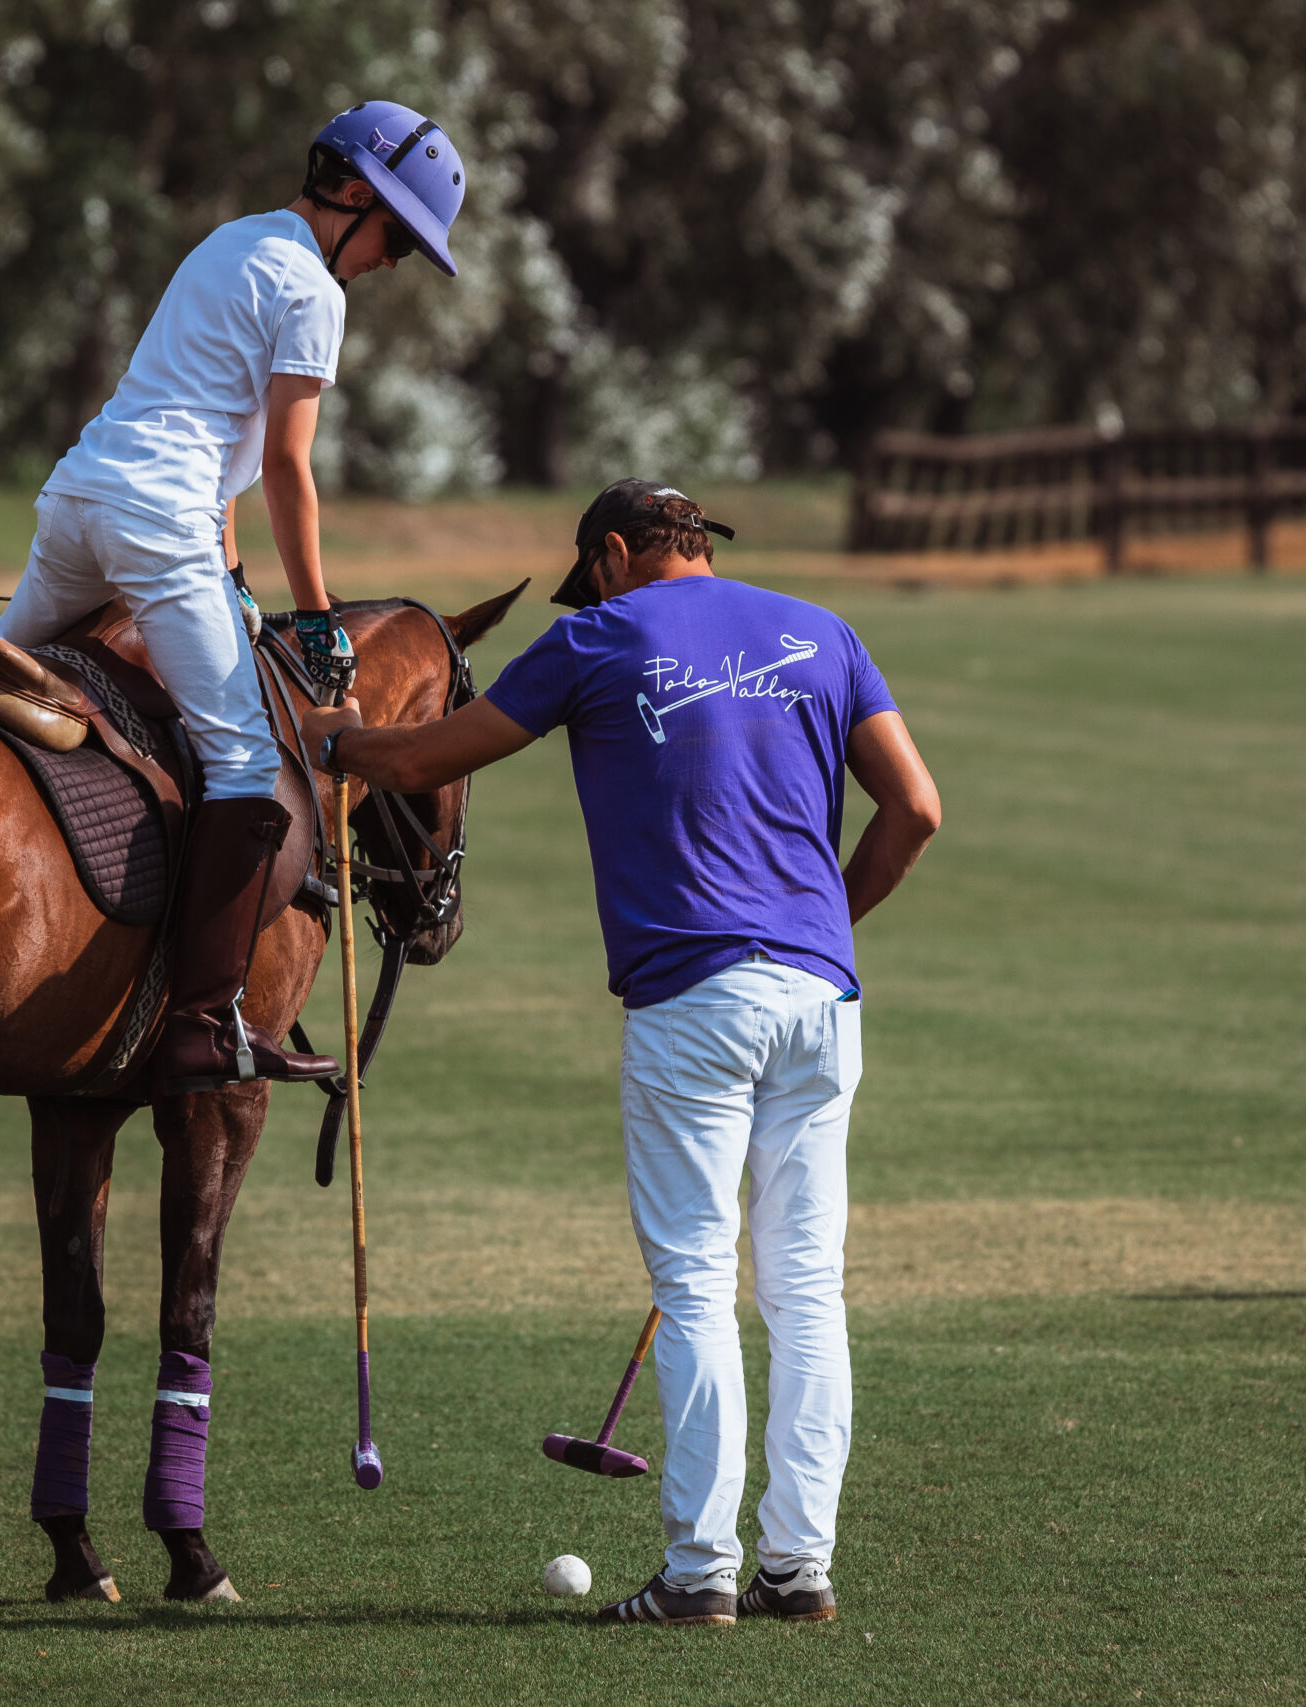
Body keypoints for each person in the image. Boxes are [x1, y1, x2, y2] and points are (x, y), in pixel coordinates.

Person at [300, 480, 942, 1626]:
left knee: (696, 1283)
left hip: (693, 1002)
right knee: (805, 1292)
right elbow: (917, 810)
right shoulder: (823, 632)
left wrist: (332, 736)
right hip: (820, 1003)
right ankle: (798, 1569)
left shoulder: (592, 637)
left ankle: (699, 1575)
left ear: (610, 555)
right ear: (699, 546)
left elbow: (425, 759)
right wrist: (824, 927)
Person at [0, 100, 468, 1093]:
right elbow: (290, 469)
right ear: (351, 194)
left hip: (79, 501)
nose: (390, 263)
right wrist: (320, 618)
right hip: (157, 526)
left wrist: (238, 580)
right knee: (249, 769)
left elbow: (214, 436)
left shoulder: (230, 242)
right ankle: (207, 1022)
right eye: (395, 237)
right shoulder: (314, 292)